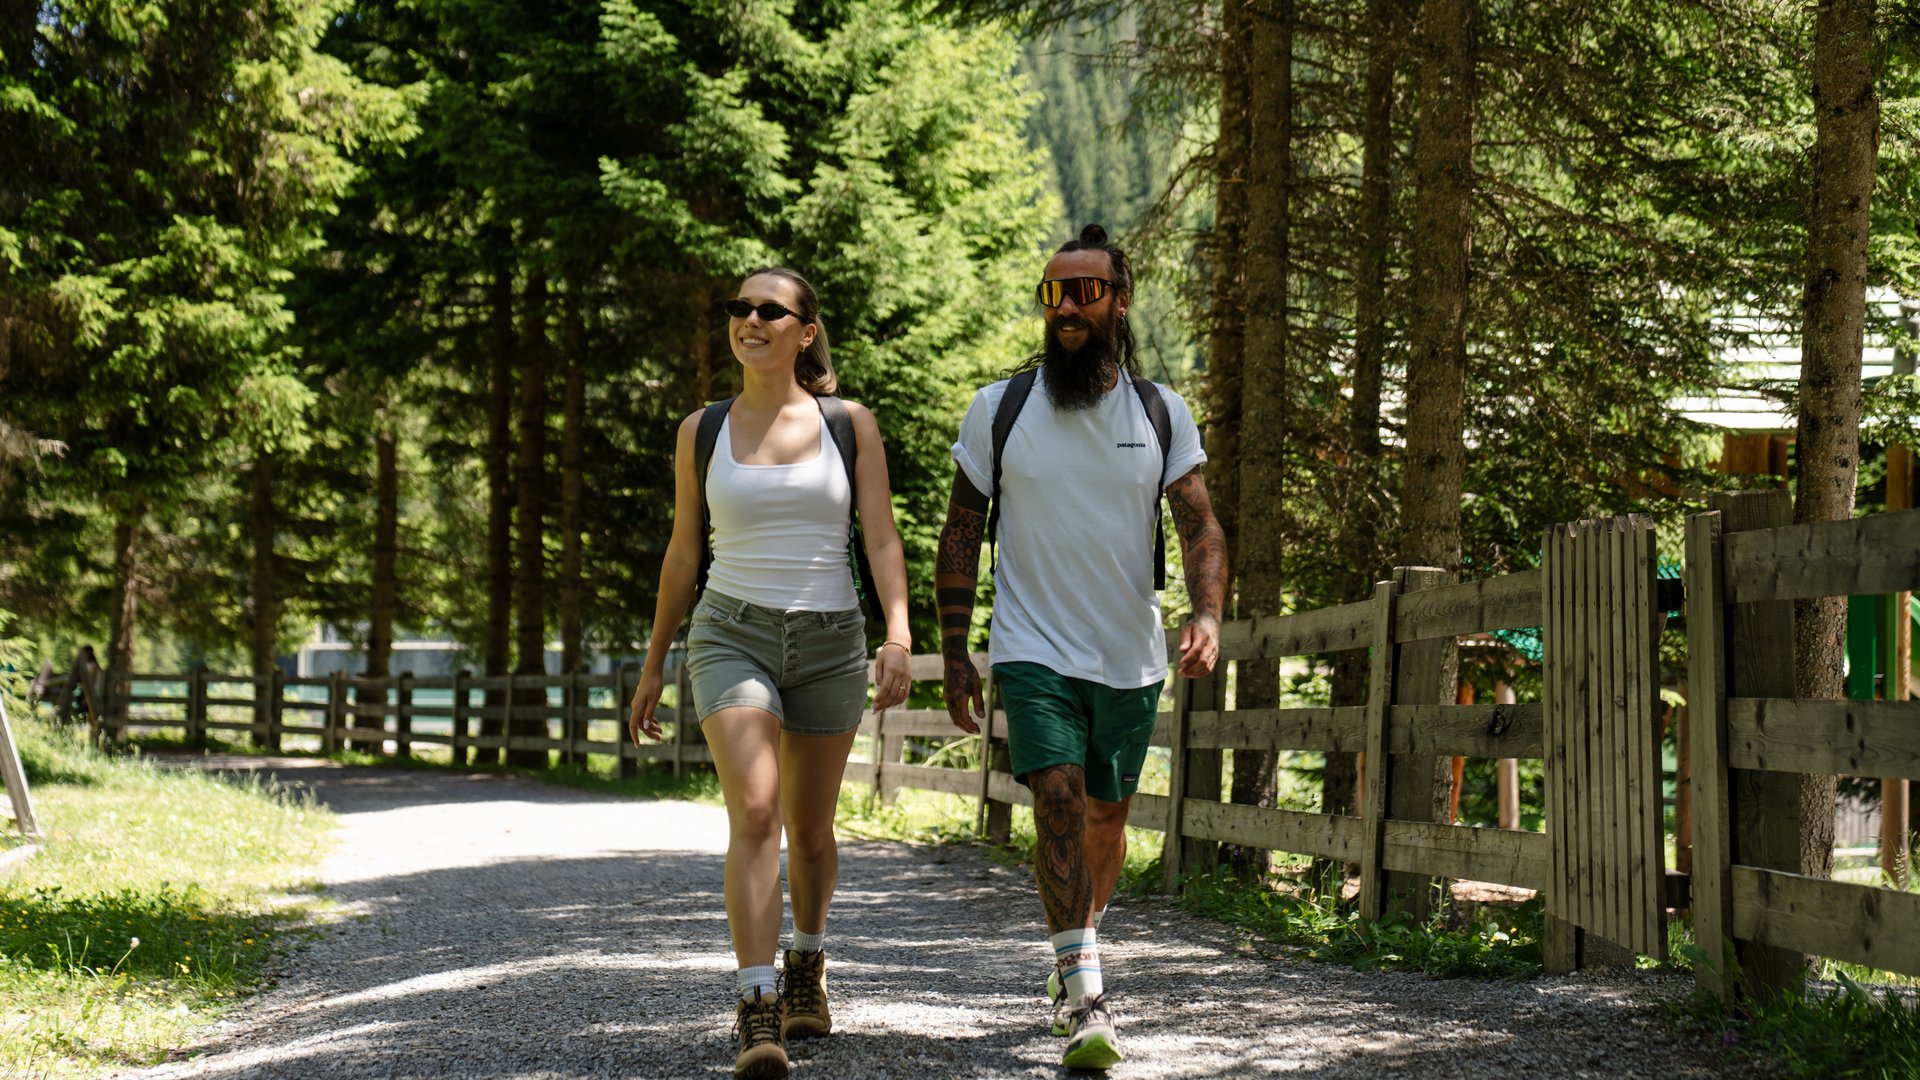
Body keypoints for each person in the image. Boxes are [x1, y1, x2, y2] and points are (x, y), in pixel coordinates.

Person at [938, 225, 1225, 1071]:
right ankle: (1089, 997)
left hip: (1129, 655)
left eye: (1085, 292)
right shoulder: (1000, 409)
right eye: (1054, 293)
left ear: (1119, 302)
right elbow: (961, 532)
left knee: (1104, 817)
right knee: (1057, 799)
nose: (1065, 307)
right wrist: (957, 651)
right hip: (1032, 647)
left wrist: (1206, 614)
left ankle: (1073, 954)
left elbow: (1200, 522)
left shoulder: (1161, 412)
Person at [629, 267, 913, 1080]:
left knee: (811, 831)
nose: (750, 320)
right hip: (731, 634)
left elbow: (882, 538)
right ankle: (757, 1006)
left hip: (830, 640)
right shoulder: (702, 430)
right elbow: (685, 553)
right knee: (754, 813)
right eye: (739, 309)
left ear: (805, 330)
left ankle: (806, 964)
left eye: (769, 310)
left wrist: (897, 633)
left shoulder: (849, 424)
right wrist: (655, 663)